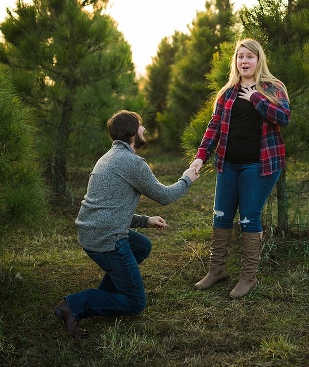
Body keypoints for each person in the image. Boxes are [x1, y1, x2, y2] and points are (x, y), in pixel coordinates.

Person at [53, 110, 200, 339]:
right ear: (132, 132)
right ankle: (72, 306)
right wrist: (187, 178)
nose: (144, 130)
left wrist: (145, 220)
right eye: (141, 126)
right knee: (135, 303)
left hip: (92, 232)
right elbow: (165, 196)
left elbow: (109, 209)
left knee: (142, 246)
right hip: (107, 239)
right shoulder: (132, 162)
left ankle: (105, 293)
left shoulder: (108, 157)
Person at [189, 38, 290, 298]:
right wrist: (201, 156)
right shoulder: (227, 92)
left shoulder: (273, 87)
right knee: (220, 215)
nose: (244, 61)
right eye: (240, 57)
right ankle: (217, 270)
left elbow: (284, 118)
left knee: (248, 218)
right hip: (228, 164)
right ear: (236, 61)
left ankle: (248, 278)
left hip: (260, 164)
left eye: (249, 57)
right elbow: (213, 127)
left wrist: (256, 97)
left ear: (259, 60)